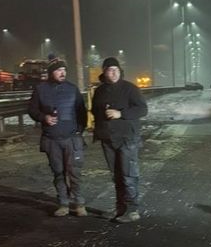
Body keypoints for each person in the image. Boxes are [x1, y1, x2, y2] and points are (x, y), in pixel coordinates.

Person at [28, 58, 88, 217]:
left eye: (64, 70)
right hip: (52, 139)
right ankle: (63, 203)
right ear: (51, 72)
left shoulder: (72, 89)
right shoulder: (41, 89)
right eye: (58, 70)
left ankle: (79, 203)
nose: (63, 73)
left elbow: (82, 112)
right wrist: (43, 117)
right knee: (58, 172)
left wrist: (79, 132)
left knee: (74, 172)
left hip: (71, 139)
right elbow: (32, 110)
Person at [91, 57, 148, 223]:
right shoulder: (100, 91)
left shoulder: (130, 88)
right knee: (116, 175)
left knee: (128, 174)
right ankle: (120, 208)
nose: (114, 72)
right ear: (104, 72)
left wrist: (121, 114)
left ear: (120, 71)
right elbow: (95, 111)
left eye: (116, 69)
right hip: (108, 138)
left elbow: (142, 109)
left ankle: (132, 210)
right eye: (110, 69)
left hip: (127, 137)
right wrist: (102, 115)